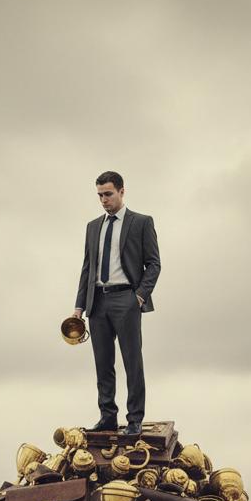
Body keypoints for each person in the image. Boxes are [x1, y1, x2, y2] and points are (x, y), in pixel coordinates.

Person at [73, 171, 161, 435]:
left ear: (122, 191)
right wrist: (78, 308)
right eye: (100, 195)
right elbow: (87, 269)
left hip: (126, 298)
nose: (103, 200)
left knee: (132, 361)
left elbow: (154, 263)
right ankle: (107, 416)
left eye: (108, 194)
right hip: (97, 301)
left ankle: (135, 420)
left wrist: (139, 296)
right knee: (103, 363)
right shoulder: (92, 227)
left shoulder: (141, 222)